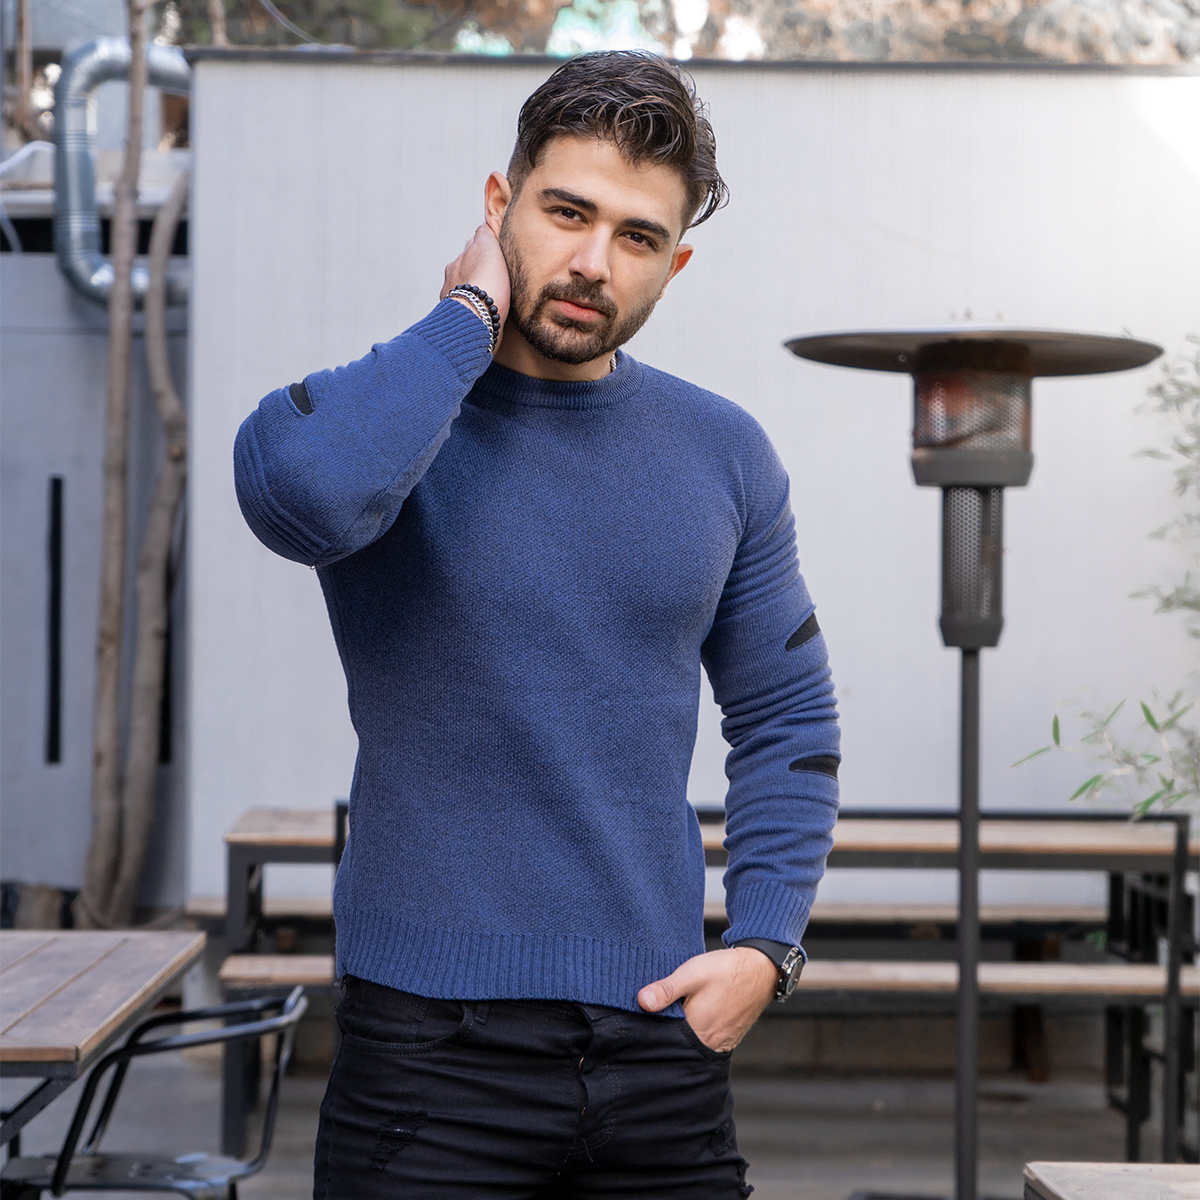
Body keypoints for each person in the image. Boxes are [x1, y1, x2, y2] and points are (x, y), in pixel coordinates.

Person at [234, 49, 839, 1200]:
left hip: (662, 1042)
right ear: (498, 204)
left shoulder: (723, 454)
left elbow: (788, 717)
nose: (594, 262)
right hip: (429, 1055)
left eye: (638, 237)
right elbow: (301, 500)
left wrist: (766, 946)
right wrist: (466, 315)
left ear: (676, 263)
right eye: (567, 213)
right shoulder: (392, 420)